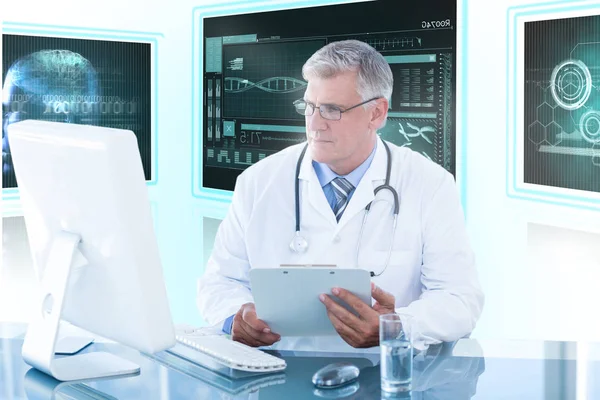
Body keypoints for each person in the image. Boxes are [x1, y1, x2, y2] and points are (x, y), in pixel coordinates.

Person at [197, 39, 484, 350]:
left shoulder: (430, 184)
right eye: (308, 106)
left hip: (384, 375)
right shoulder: (258, 182)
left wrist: (396, 325)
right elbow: (219, 282)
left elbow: (460, 299)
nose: (315, 124)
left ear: (376, 113)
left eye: (332, 110)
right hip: (279, 372)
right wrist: (234, 319)